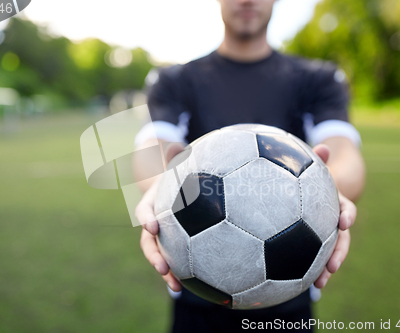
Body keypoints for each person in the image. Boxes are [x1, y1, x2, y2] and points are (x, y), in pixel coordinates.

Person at [134, 0, 365, 331]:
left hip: (288, 297)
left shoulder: (318, 79)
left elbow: (346, 157)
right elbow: (151, 151)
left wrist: (325, 192)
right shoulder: (175, 80)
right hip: (197, 294)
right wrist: (161, 187)